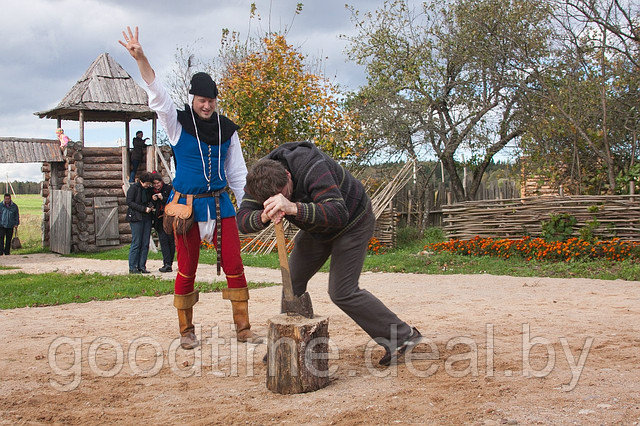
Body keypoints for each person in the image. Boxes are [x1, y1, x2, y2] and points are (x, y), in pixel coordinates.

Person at [119, 26, 258, 349]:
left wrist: (253, 203)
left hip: (221, 205)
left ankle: (243, 328)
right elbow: (158, 94)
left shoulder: (228, 130)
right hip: (188, 207)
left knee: (235, 265)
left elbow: (237, 173)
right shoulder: (178, 123)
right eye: (201, 100)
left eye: (210, 101)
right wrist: (142, 58)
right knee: (187, 268)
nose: (206, 106)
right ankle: (186, 331)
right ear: (192, 99)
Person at [237, 141, 422, 366]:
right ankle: (289, 344)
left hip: (352, 222)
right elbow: (242, 221)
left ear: (287, 175)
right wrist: (264, 215)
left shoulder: (311, 165)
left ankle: (402, 337)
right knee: (292, 283)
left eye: (283, 193)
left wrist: (292, 207)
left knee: (342, 291)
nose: (279, 199)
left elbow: (337, 213)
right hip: (316, 227)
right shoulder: (258, 180)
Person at [126, 171, 154, 274]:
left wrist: (151, 205)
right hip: (136, 218)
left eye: (149, 183)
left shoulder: (149, 190)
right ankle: (133, 267)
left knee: (145, 243)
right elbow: (129, 202)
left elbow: (151, 200)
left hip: (147, 218)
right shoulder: (134, 188)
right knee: (136, 242)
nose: (148, 185)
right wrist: (143, 209)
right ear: (141, 181)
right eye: (146, 183)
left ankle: (142, 266)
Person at [151, 173, 175, 273]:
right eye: (154, 184)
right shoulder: (151, 191)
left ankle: (170, 263)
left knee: (171, 241)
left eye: (158, 183)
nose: (156, 185)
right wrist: (153, 200)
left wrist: (163, 198)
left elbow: (172, 202)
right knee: (163, 241)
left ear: (161, 182)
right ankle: (167, 263)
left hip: (169, 218)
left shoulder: (168, 189)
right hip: (159, 219)